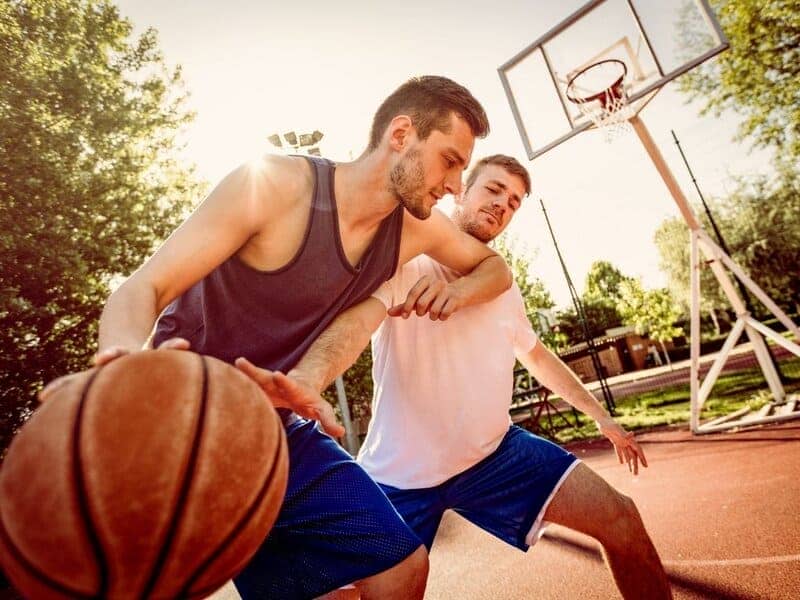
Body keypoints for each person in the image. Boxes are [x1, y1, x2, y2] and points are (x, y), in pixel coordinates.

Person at [41, 77, 514, 600]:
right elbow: (143, 286)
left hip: (275, 427)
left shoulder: (412, 230)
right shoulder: (276, 186)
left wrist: (459, 293)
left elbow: (495, 268)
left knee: (401, 566)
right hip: (186, 427)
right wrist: (126, 365)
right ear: (401, 133)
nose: (454, 185)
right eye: (449, 161)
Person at [262, 155, 672, 599]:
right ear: (460, 190)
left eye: (513, 202)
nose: (502, 204)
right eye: (493, 190)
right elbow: (357, 326)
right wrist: (309, 377)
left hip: (494, 454)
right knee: (357, 593)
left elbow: (536, 355)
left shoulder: (502, 283)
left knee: (622, 519)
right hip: (400, 474)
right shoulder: (408, 260)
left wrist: (602, 418)